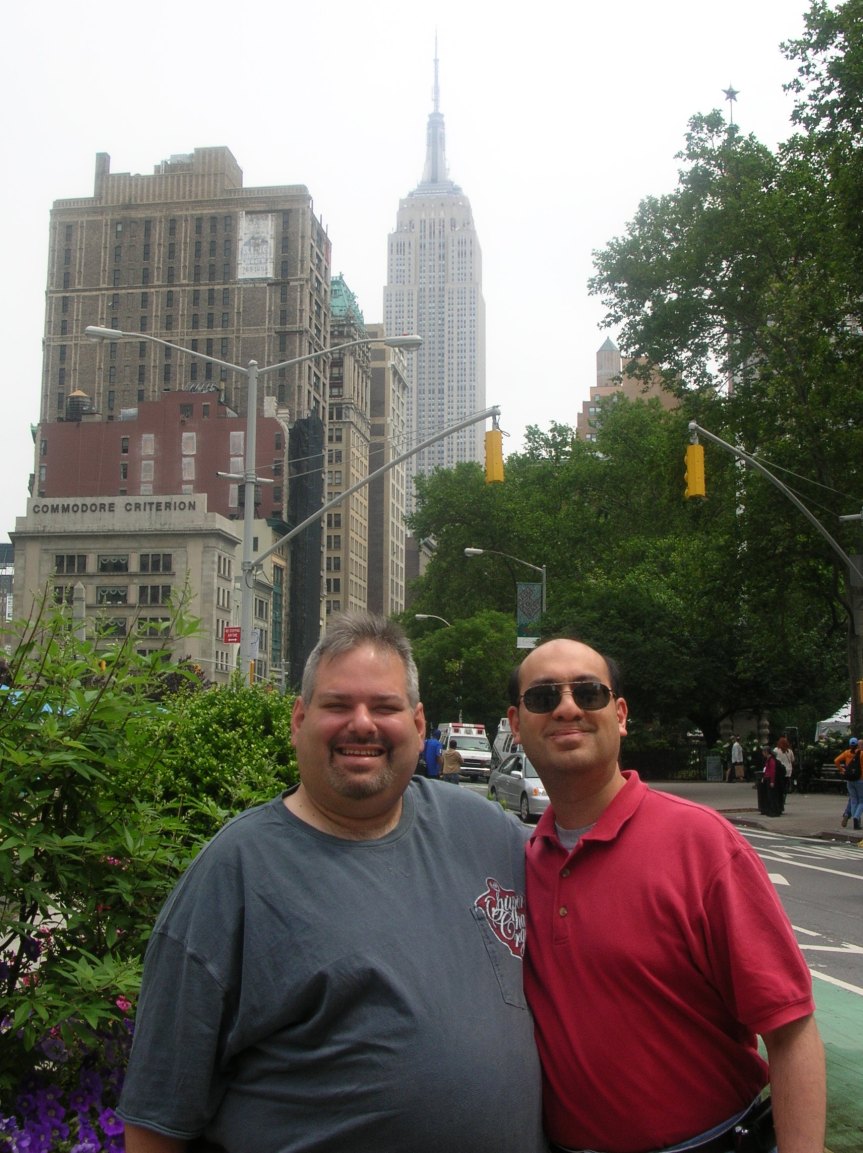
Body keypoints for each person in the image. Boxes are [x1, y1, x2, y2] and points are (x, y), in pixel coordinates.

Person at [118, 612, 545, 1153]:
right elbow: (157, 1122)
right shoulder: (235, 873)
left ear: (418, 725)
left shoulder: (488, 833)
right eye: (337, 705)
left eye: (384, 706)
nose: (362, 724)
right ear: (299, 720)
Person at [507, 636, 825, 1153]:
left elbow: (789, 1028)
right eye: (543, 697)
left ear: (620, 713)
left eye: (589, 693)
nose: (567, 707)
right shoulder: (519, 862)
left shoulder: (702, 843)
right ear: (517, 725)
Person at [835, 736, 862, 830]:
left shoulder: (846, 753)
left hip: (849, 779)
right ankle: (856, 818)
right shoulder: (861, 754)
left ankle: (851, 816)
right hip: (860, 779)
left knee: (853, 800)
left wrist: (842, 770)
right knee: (861, 801)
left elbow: (836, 760)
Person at [761, 743, 785, 817]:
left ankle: (774, 810)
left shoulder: (771, 760)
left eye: (763, 752)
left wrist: (772, 781)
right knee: (770, 796)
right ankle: (771, 810)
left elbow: (772, 771)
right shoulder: (768, 760)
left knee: (772, 796)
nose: (762, 754)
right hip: (767, 778)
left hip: (770, 779)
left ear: (766, 752)